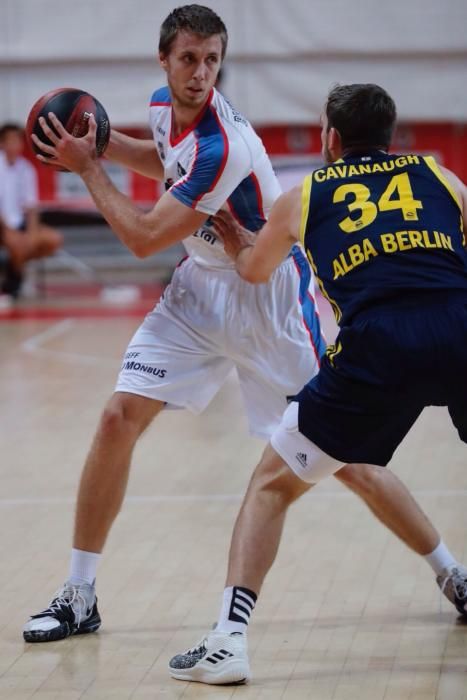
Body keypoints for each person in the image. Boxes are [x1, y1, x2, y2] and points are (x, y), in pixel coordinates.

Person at [22, 7, 465, 655]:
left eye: (212, 60)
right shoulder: (161, 112)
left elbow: (144, 237)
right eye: (189, 60)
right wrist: (105, 145)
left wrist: (88, 168)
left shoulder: (220, 146)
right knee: (119, 415)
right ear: (163, 61)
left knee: (349, 464)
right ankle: (79, 592)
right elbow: (162, 160)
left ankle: (451, 573)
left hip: (265, 294)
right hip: (197, 289)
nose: (201, 74)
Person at [167, 82, 467, 684]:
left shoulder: (305, 197)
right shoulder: (444, 179)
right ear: (392, 134)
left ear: (331, 138)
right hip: (461, 325)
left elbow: (253, 271)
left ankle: (228, 640)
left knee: (272, 485)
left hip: (378, 348)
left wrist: (238, 240)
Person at [0, 123, 63, 299]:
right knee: (16, 243)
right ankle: (11, 287)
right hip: (2, 225)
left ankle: (15, 269)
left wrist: (32, 233)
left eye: (18, 141)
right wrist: (8, 231)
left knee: (52, 239)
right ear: (2, 143)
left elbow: (32, 206)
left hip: (19, 223)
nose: (15, 145)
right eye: (11, 141)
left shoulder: (26, 168)